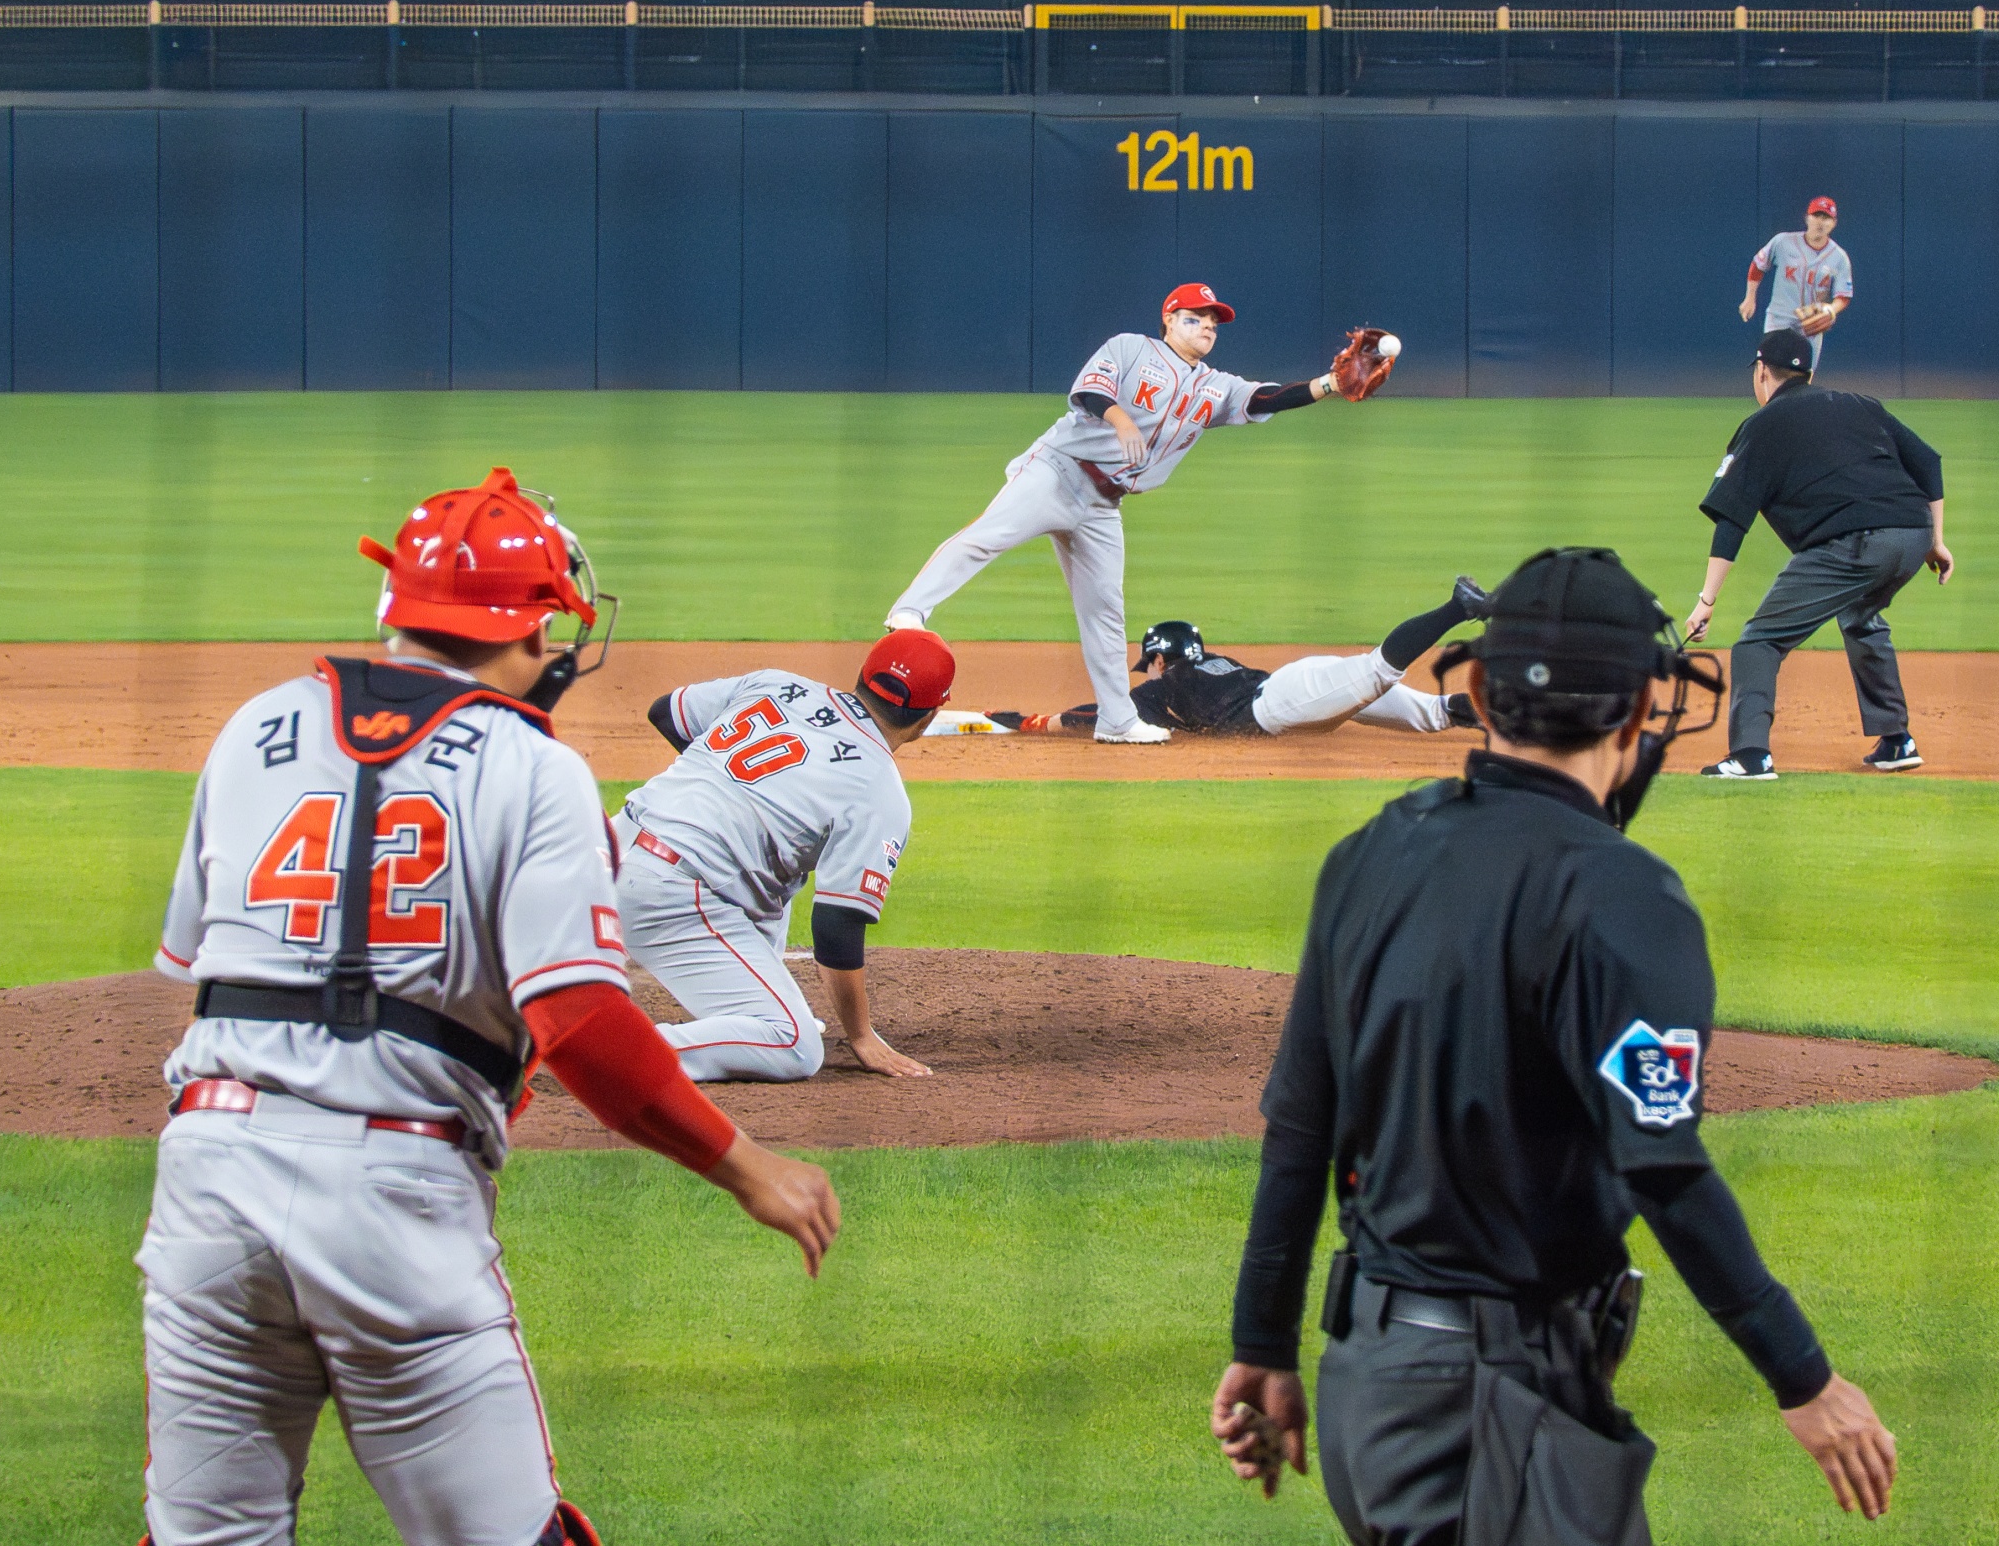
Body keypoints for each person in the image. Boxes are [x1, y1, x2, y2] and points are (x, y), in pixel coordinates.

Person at [140, 468, 839, 1546]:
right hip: (391, 1199)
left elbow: (203, 965)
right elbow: (581, 1019)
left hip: (205, 1182)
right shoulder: (531, 764)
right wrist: (748, 1167)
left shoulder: (256, 726)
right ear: (531, 627)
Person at [1211, 547, 1896, 1545]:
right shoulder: (1623, 893)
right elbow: (1661, 1165)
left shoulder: (1371, 853)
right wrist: (1804, 1376)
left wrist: (1263, 1340)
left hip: (1374, 1380)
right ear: (1641, 708)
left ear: (1484, 693)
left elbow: (1298, 1129)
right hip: (1490, 1405)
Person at [885, 282, 1377, 745]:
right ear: (1169, 320)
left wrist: (1330, 383)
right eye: (1195, 318)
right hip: (1058, 471)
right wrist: (1120, 419)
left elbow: (1267, 397)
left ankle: (1117, 721)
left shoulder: (1215, 386)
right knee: (987, 536)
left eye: (1213, 322)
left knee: (1105, 610)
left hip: (1105, 504)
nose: (1207, 326)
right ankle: (910, 611)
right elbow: (1089, 392)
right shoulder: (1130, 349)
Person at [614, 629, 953, 1084]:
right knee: (795, 1044)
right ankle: (610, 1046)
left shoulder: (776, 684)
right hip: (667, 896)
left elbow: (665, 711)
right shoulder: (879, 790)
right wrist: (861, 1036)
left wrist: (731, 791)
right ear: (930, 716)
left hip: (608, 848)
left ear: (862, 675)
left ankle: (751, 998)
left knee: (778, 875)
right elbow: (836, 927)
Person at [1686, 330, 1954, 780]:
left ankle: (1750, 756)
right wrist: (1935, 541)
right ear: (1808, 375)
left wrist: (1706, 601)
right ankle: (1896, 740)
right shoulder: (1859, 404)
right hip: (1912, 534)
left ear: (1762, 373)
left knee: (1758, 642)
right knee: (1860, 615)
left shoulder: (1761, 426)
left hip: (1855, 543)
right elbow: (1928, 462)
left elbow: (1732, 518)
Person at [989, 577, 1492, 740]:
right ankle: (1502, 715)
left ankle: (1457, 606)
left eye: (1151, 662)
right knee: (1431, 714)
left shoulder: (1166, 686)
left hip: (1282, 702)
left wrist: (1032, 722)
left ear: (1161, 660)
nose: (1150, 671)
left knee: (1377, 670)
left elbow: (1102, 715)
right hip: (1294, 682)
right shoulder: (1216, 662)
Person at [1739, 196, 1851, 369]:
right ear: (1807, 218)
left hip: (1810, 322)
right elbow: (1758, 265)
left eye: (1826, 218)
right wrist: (1750, 297)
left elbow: (1843, 295)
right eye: (1816, 216)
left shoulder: (1839, 257)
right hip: (1779, 318)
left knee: (1805, 373)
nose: (1820, 222)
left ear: (1834, 223)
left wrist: (1831, 309)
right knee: (1770, 369)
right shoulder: (1783, 242)